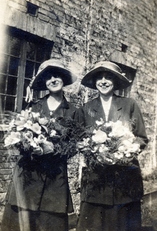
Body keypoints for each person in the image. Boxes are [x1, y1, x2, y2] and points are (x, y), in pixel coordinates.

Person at [1, 59, 77, 231]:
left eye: (57, 75)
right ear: (45, 83)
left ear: (64, 79)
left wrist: (54, 149)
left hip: (54, 179)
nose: (53, 80)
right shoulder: (33, 107)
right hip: (28, 175)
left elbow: (73, 145)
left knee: (50, 224)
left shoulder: (73, 111)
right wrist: (27, 145)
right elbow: (18, 134)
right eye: (48, 77)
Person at [75, 61, 148, 231]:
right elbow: (78, 140)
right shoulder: (86, 109)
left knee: (122, 223)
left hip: (124, 178)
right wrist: (92, 151)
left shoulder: (130, 105)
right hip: (97, 179)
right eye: (99, 77)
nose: (103, 81)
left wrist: (125, 152)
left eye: (108, 77)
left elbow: (141, 137)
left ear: (115, 81)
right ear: (94, 82)